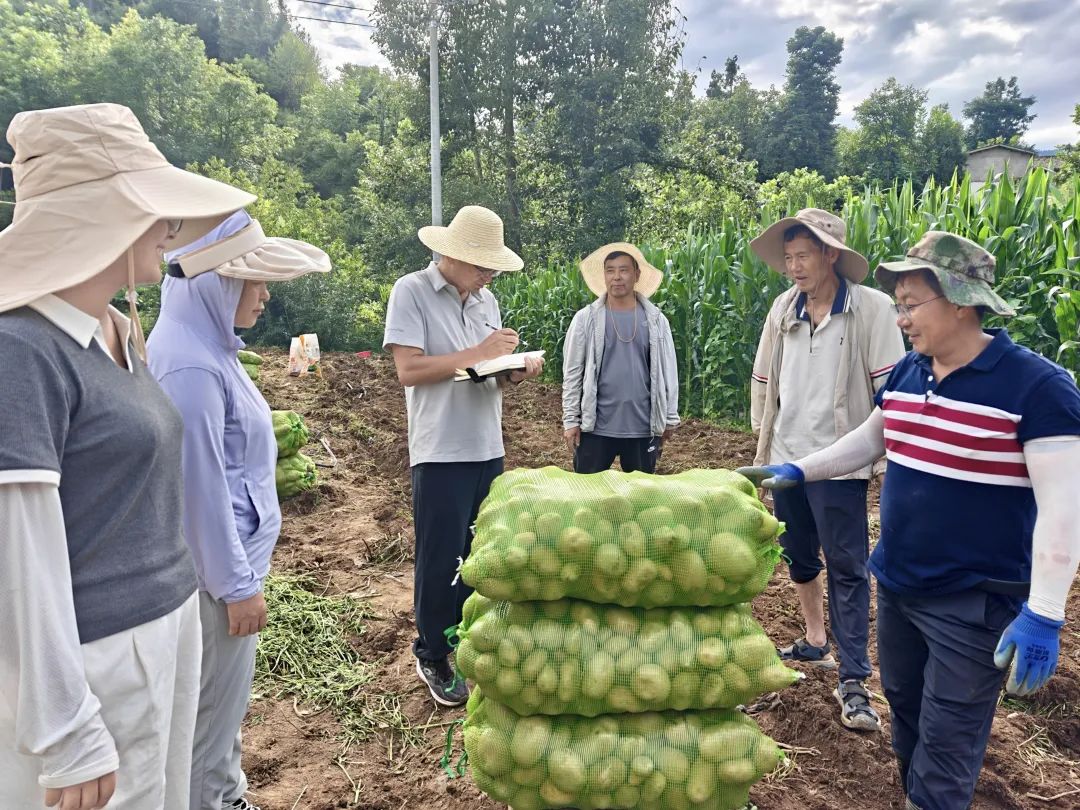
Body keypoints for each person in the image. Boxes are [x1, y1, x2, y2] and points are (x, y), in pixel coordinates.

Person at [739, 231, 1080, 810]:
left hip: (973, 604)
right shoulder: (911, 371)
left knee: (947, 750)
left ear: (961, 302)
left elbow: (1064, 510)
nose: (900, 319)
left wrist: (1044, 613)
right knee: (908, 721)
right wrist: (798, 469)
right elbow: (871, 439)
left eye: (911, 304)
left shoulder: (1038, 388)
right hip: (897, 589)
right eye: (898, 304)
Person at [0, 103, 254, 809]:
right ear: (96, 216)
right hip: (99, 659)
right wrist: (64, 730)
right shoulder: (22, 349)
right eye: (154, 210)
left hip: (166, 631)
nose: (171, 229)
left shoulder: (114, 331)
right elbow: (19, 554)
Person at [146, 210, 331, 810]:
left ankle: (225, 794)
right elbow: (198, 490)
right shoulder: (192, 367)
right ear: (217, 283)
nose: (265, 294)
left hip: (228, 572)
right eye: (255, 282)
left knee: (220, 711)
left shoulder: (208, 348)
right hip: (215, 585)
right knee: (208, 719)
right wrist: (236, 585)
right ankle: (215, 800)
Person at [748, 208, 905, 731]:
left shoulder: (871, 309)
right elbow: (764, 381)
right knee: (797, 555)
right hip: (787, 459)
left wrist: (886, 460)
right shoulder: (781, 309)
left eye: (803, 256)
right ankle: (816, 640)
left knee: (847, 566)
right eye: (787, 257)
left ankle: (855, 677)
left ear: (830, 255)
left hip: (840, 462)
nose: (793, 267)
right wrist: (764, 445)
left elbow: (891, 394)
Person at [383, 206, 543, 707]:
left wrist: (511, 370)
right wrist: (481, 351)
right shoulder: (411, 291)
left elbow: (486, 370)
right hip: (439, 448)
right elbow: (408, 370)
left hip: (485, 445)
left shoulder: (486, 301)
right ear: (451, 254)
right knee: (440, 556)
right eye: (481, 265)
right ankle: (431, 650)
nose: (488, 275)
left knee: (478, 555)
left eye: (492, 267)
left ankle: (468, 642)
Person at [561, 243, 679, 474]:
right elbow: (573, 373)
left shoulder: (655, 320)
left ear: (637, 275)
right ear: (604, 275)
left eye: (624, 270)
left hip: (643, 427)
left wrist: (669, 417)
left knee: (640, 501)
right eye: (610, 270)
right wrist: (571, 419)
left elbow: (669, 371)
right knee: (588, 496)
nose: (617, 277)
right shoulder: (586, 320)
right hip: (595, 427)